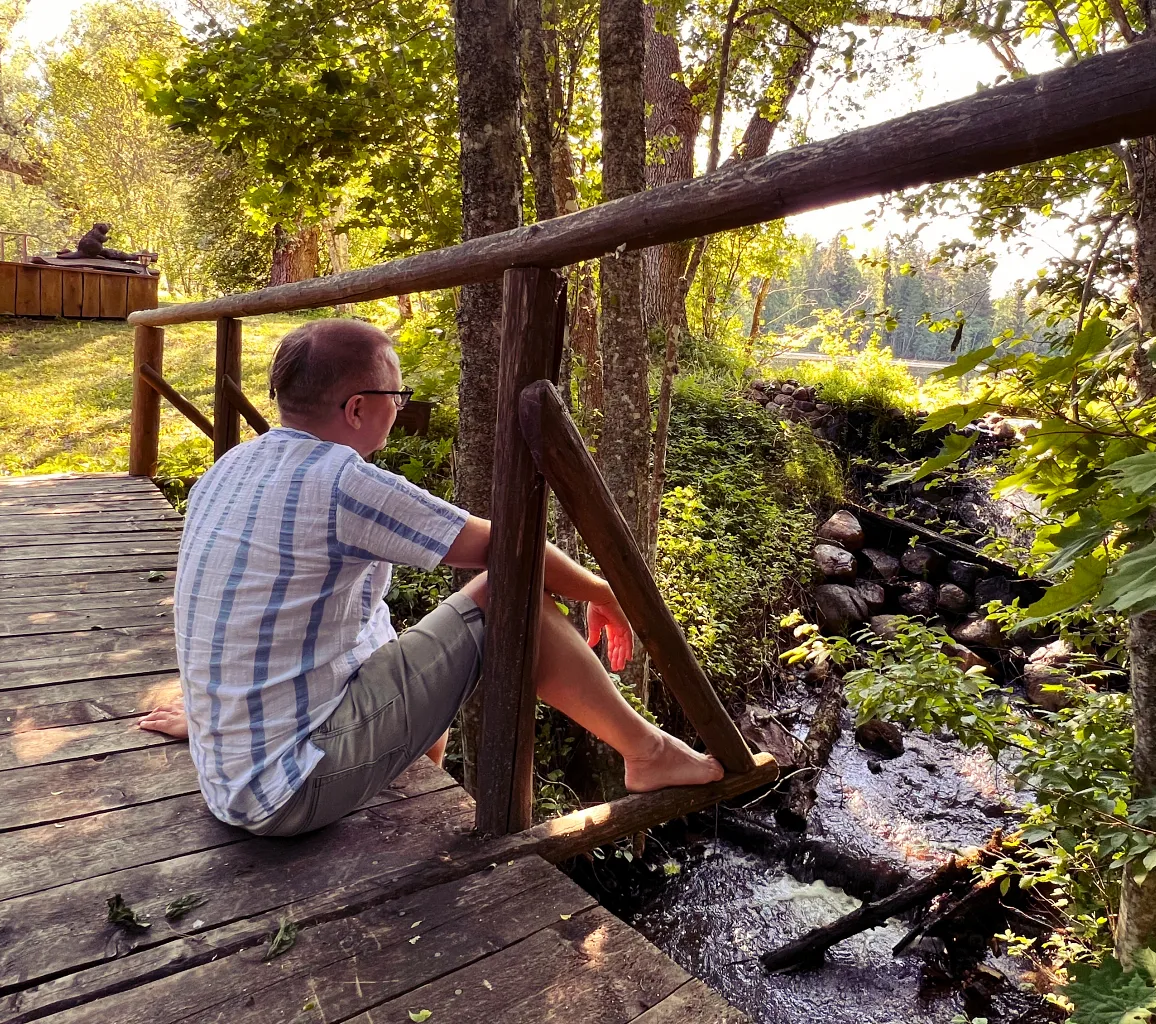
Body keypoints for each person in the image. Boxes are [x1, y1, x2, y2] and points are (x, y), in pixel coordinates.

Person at [138, 318, 722, 836]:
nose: (401, 406)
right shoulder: (341, 479)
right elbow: (513, 550)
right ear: (358, 408)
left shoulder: (233, 462)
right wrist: (601, 591)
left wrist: (219, 718)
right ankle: (646, 751)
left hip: (236, 773)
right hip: (290, 792)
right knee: (505, 596)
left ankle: (399, 791)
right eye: (396, 394)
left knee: (393, 635)